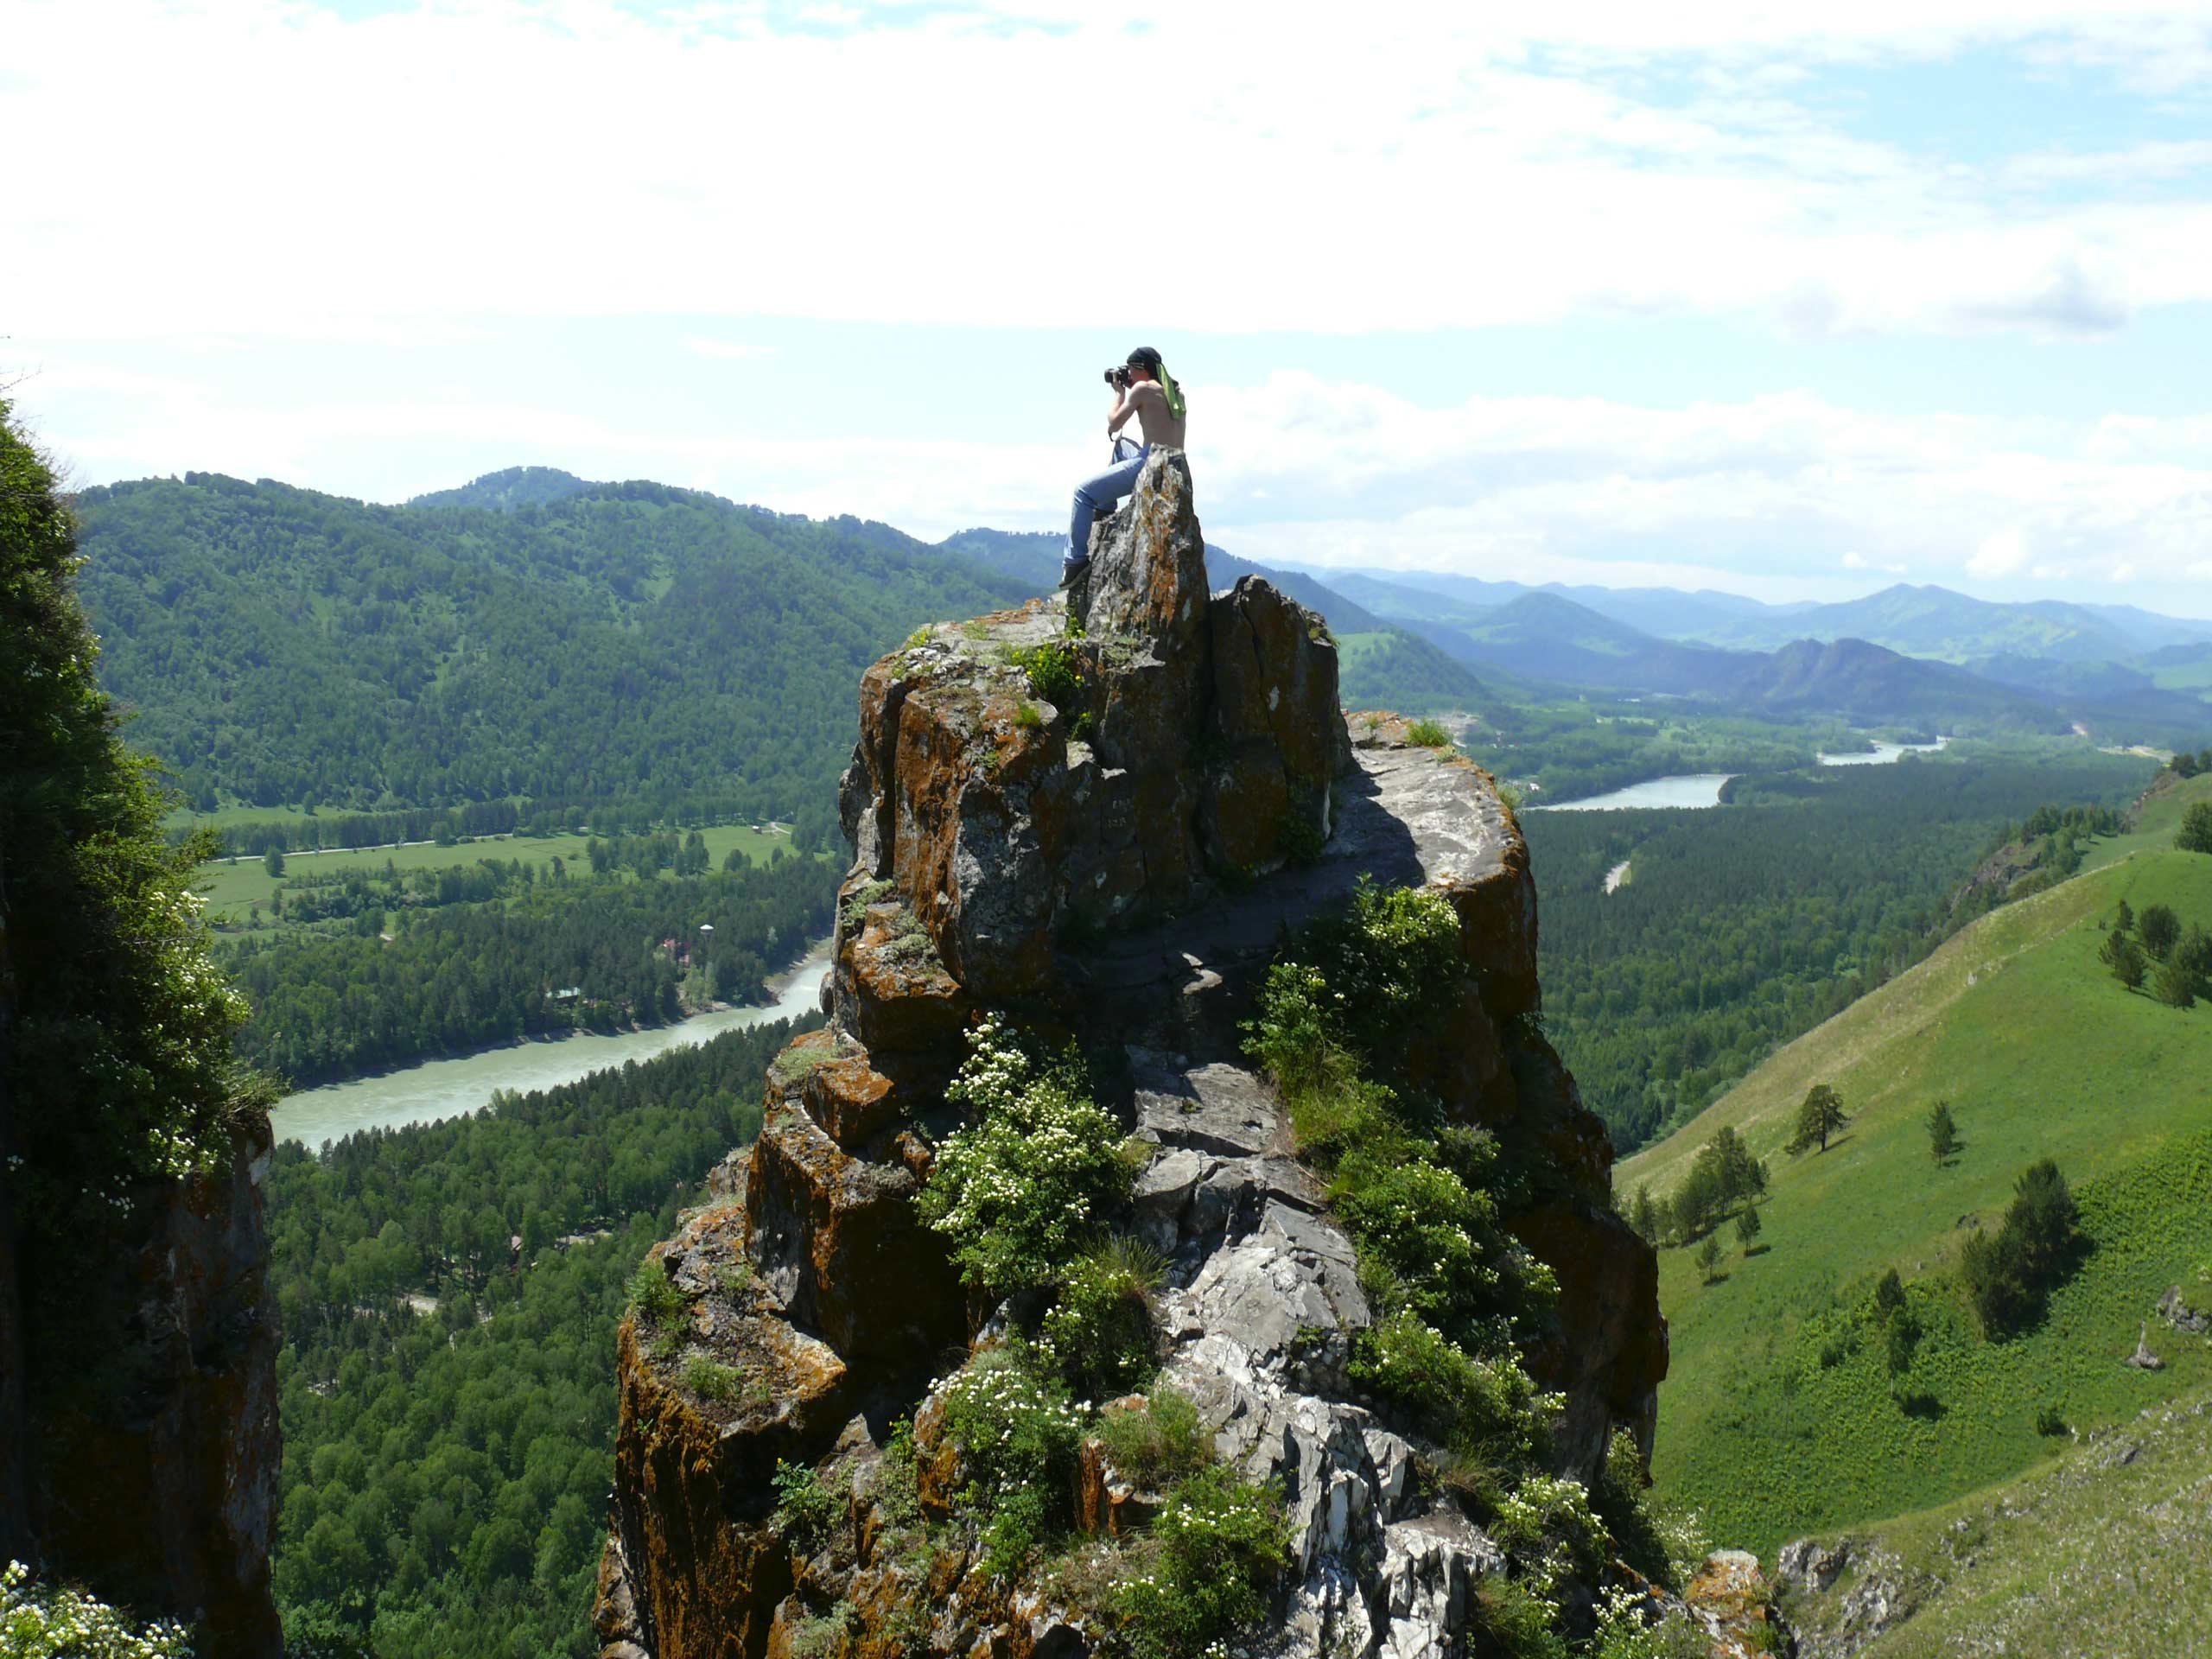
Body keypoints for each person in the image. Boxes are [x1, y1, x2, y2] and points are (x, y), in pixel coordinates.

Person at [1060, 346, 1188, 585]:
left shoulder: (1142, 389)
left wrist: (1119, 392)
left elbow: (1115, 423)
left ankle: (1075, 562)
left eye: (1129, 369)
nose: (1127, 374)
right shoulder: (1175, 392)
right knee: (1122, 447)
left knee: (1083, 492)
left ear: (1140, 369)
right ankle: (1106, 507)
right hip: (1175, 464)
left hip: (1150, 462)